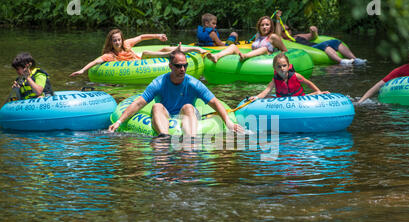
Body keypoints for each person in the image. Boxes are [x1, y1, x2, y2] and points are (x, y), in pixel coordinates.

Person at [108, 48, 244, 137]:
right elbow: (139, 103)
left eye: (185, 65)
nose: (182, 69)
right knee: (156, 106)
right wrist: (119, 121)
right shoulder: (159, 82)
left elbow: (214, 101)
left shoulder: (193, 83)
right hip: (167, 115)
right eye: (178, 66)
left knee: (188, 107)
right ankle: (164, 137)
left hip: (188, 115)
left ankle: (190, 142)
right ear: (170, 66)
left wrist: (228, 122)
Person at [69, 29, 211, 77]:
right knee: (147, 53)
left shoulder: (127, 44)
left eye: (118, 39)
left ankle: (195, 49)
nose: (118, 43)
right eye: (115, 41)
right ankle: (174, 53)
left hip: (142, 59)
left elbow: (142, 37)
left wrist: (157, 36)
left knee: (162, 48)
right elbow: (96, 61)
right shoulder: (110, 55)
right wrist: (82, 70)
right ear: (111, 42)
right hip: (137, 65)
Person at [275, 11, 366, 65]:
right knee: (325, 45)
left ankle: (355, 59)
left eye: (289, 29)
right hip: (312, 49)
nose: (288, 31)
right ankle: (341, 61)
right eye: (285, 30)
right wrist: (278, 19)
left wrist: (313, 31)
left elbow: (312, 36)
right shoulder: (283, 41)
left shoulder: (298, 36)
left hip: (317, 45)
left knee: (335, 41)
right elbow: (278, 35)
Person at [249, 53, 329, 101]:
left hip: (299, 98)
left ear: (288, 66)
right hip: (282, 100)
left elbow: (308, 83)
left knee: (318, 93)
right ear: (274, 68)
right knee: (265, 97)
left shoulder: (296, 76)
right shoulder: (275, 80)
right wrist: (256, 97)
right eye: (279, 67)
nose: (282, 68)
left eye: (284, 66)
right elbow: (266, 91)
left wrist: (319, 91)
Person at [207, 16, 288, 63]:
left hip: (266, 58)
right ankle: (216, 56)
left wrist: (277, 57)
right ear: (259, 27)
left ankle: (245, 56)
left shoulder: (273, 37)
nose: (264, 27)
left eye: (267, 25)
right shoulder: (258, 35)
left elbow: (284, 50)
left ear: (271, 26)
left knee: (263, 48)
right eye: (262, 25)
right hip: (252, 58)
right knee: (232, 46)